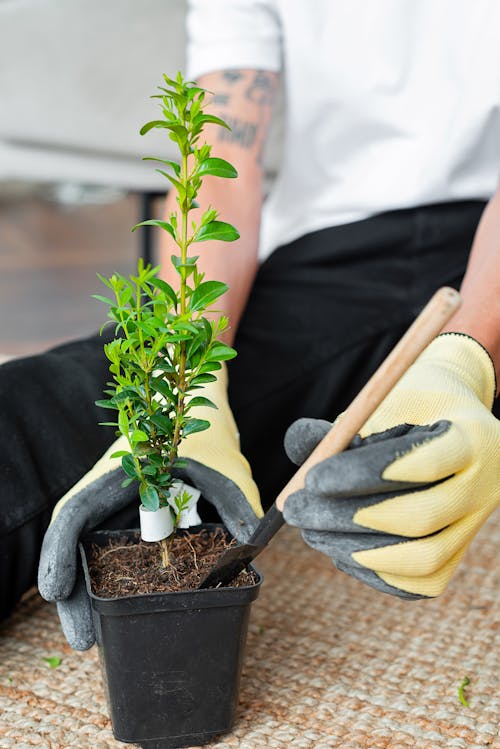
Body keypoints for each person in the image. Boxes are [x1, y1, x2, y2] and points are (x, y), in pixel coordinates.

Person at [3, 0, 500, 650]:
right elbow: (221, 158)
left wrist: (469, 350)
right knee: (57, 417)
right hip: (339, 252)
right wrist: (185, 380)